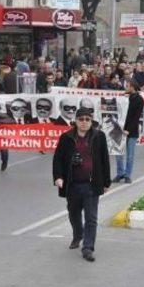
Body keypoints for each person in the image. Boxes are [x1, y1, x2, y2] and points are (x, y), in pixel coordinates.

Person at [52, 107, 111, 263]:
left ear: (91, 121)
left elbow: (104, 159)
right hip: (73, 183)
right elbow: (57, 158)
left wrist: (106, 181)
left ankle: (88, 248)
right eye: (81, 119)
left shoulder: (99, 136)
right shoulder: (66, 138)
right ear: (76, 121)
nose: (84, 122)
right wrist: (58, 177)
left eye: (87, 119)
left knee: (91, 218)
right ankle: (78, 234)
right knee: (74, 213)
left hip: (92, 184)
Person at [113, 81, 144, 184]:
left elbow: (136, 117)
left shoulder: (139, 99)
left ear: (133, 87)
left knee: (130, 154)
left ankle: (127, 175)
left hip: (131, 130)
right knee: (118, 153)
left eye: (127, 86)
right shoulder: (124, 98)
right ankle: (120, 173)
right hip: (119, 129)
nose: (125, 88)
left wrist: (128, 130)